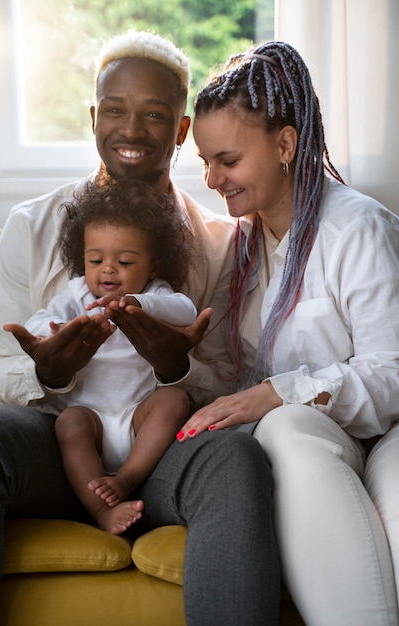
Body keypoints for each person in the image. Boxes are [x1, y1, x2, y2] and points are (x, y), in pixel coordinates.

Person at [0, 30, 280, 625]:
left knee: (237, 460)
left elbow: (229, 377)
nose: (132, 129)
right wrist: (51, 372)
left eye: (154, 114)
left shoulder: (224, 245)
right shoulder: (31, 225)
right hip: (57, 436)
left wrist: (176, 367)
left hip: (161, 448)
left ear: (181, 129)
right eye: (115, 110)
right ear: (94, 117)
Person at [178, 41, 399, 625]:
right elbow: (227, 374)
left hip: (393, 430)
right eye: (204, 160)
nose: (212, 178)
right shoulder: (240, 250)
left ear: (284, 144)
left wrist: (277, 392)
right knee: (290, 431)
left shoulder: (360, 229)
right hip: (316, 441)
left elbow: (394, 372)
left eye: (226, 159)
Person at [5, 178, 198, 535]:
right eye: (96, 259)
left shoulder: (155, 293)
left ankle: (126, 479)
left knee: (173, 400)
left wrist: (139, 303)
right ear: (83, 259)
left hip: (139, 419)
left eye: (124, 261)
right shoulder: (77, 294)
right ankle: (101, 511)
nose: (108, 269)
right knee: (69, 422)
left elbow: (185, 310)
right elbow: (40, 321)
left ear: (152, 267)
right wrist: (57, 331)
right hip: (90, 423)